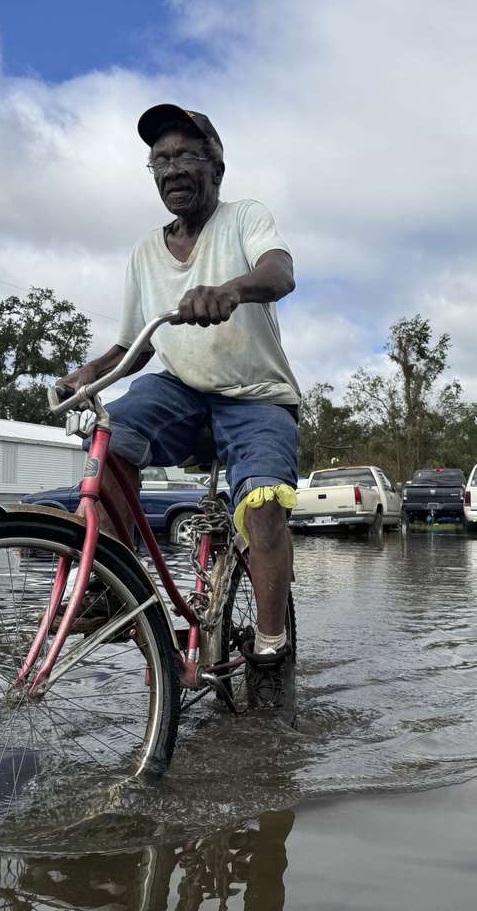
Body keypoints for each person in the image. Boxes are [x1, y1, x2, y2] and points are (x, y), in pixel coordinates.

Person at [56, 104, 300, 720]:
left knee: (265, 508)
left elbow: (280, 271)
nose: (173, 170)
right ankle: (112, 587)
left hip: (257, 399)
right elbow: (131, 344)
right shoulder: (144, 253)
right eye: (160, 160)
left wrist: (233, 289)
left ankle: (270, 651)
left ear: (216, 164)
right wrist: (89, 372)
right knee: (111, 433)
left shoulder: (244, 217)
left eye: (186, 156)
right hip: (182, 392)